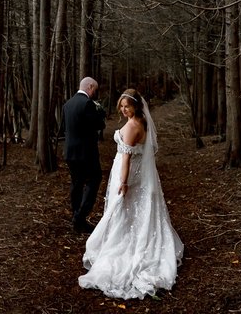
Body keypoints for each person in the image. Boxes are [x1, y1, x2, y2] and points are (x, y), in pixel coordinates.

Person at [78, 89, 184, 299]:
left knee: (124, 209)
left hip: (128, 174)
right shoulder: (142, 122)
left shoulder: (132, 127)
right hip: (138, 174)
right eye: (122, 106)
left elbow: (126, 158)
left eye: (128, 106)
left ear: (136, 106)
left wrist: (123, 182)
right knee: (134, 209)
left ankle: (125, 245)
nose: (124, 110)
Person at [62, 77, 106, 233]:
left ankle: (77, 218)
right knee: (95, 179)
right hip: (86, 152)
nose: (96, 92)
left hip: (70, 152)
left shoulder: (67, 104)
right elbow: (98, 125)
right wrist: (100, 113)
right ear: (90, 86)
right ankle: (79, 217)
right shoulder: (87, 104)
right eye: (96, 89)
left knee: (77, 183)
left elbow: (64, 128)